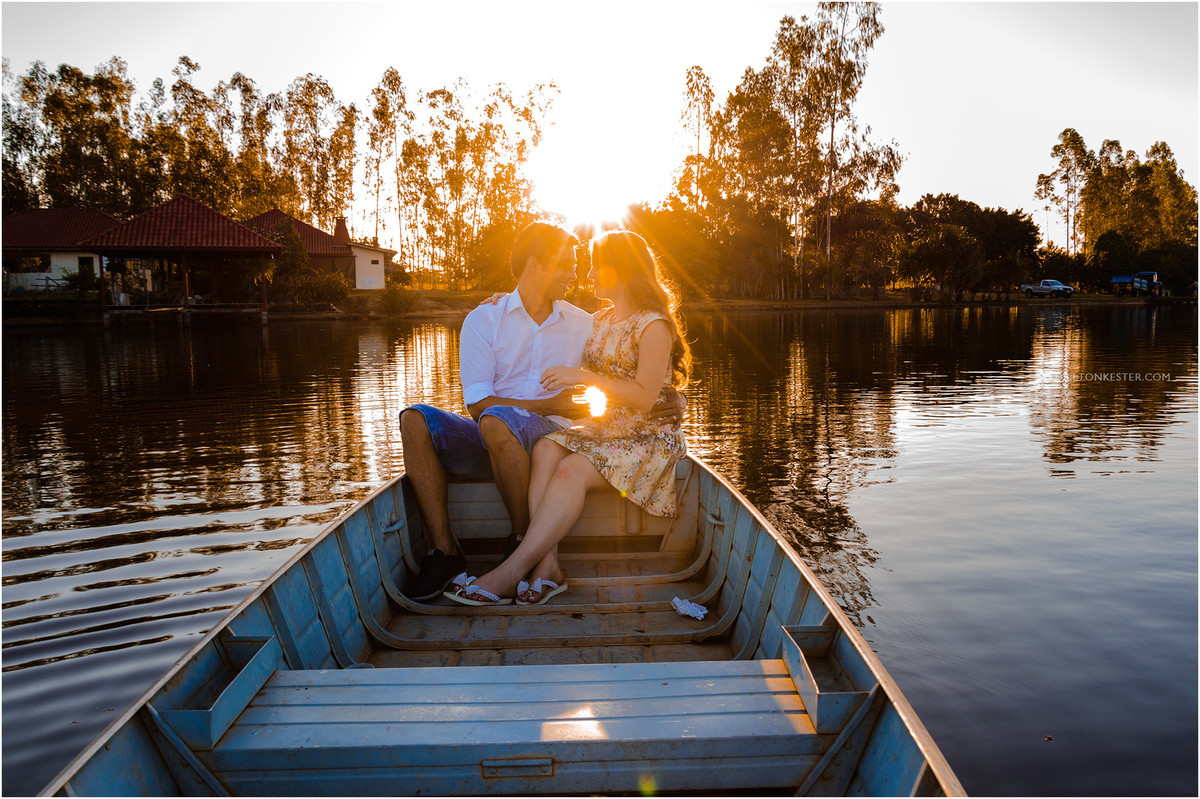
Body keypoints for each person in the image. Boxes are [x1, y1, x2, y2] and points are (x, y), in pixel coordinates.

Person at [399, 222, 682, 601]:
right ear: (535, 265)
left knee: (504, 423)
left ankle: (520, 546)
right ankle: (444, 549)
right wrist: (550, 401)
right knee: (417, 419)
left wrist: (673, 398)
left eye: (583, 265)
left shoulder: (583, 322)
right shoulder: (487, 318)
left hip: (547, 432)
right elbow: (479, 404)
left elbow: (641, 366)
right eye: (565, 265)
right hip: (494, 429)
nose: (578, 275)